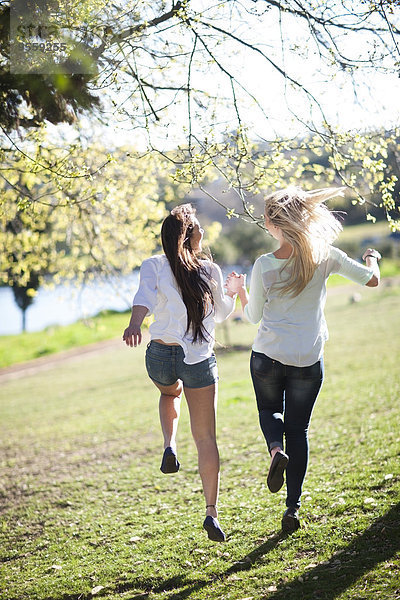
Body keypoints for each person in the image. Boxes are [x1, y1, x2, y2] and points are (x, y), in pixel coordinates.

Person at [226, 186, 381, 533]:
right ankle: (292, 508)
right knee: (300, 430)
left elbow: (252, 317)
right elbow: (372, 281)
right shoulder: (326, 256)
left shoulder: (264, 265)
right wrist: (372, 258)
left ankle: (274, 449)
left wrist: (238, 292)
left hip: (268, 355)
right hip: (308, 359)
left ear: (272, 223)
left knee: (269, 412)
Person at [123, 203, 237, 542]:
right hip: (198, 359)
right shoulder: (209, 270)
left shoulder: (153, 266)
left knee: (167, 393)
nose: (203, 232)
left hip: (160, 354)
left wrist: (133, 326)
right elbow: (221, 314)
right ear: (189, 235)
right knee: (205, 438)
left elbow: (142, 299)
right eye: (198, 228)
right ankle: (211, 513)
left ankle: (169, 444)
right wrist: (231, 292)